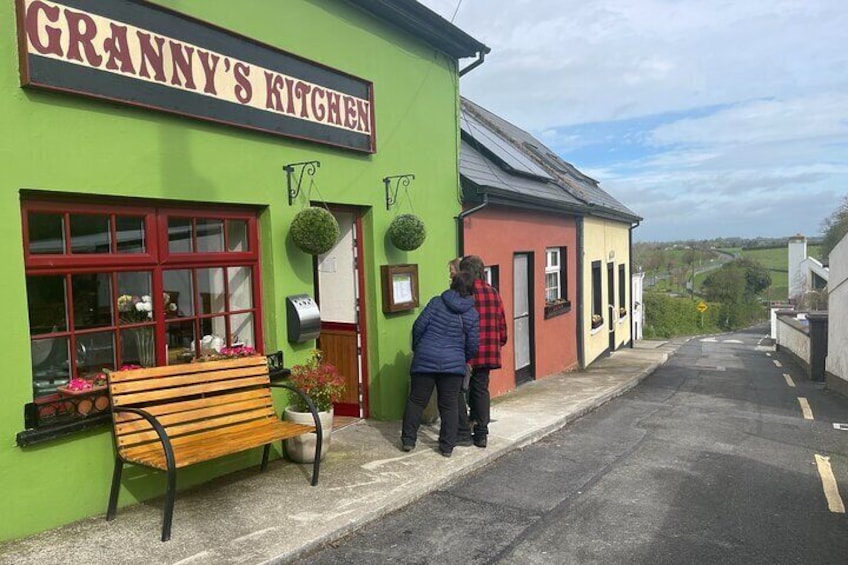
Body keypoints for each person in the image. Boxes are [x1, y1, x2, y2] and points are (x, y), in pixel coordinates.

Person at [401, 271, 479, 457]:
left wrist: (418, 348)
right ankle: (446, 447)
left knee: (417, 400)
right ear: (470, 290)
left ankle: (408, 440)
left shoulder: (437, 302)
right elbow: (473, 344)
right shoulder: (472, 313)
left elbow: (418, 326)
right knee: (449, 405)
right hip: (453, 366)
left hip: (425, 359)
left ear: (452, 283)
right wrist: (461, 358)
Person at [457, 255, 507, 448]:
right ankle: (481, 432)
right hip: (488, 350)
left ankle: (464, 428)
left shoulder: (464, 293)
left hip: (466, 351)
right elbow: (501, 323)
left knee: (461, 389)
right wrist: (499, 342)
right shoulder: (493, 292)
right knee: (480, 389)